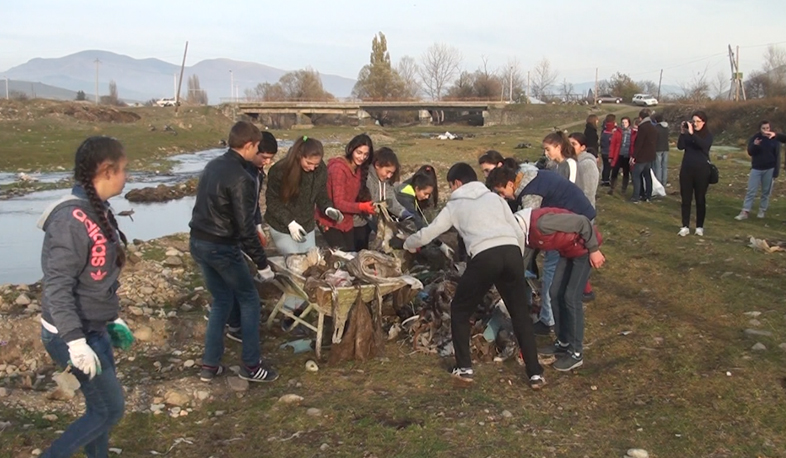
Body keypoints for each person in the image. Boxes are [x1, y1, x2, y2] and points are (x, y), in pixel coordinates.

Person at [404, 163, 545, 389]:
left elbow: (431, 232)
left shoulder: (456, 204)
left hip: (484, 256)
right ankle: (535, 373)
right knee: (520, 313)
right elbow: (518, 231)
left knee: (460, 309)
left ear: (457, 183)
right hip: (510, 252)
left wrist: (409, 243)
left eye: (451, 186)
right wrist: (516, 259)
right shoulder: (495, 198)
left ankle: (465, 368)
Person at [38, 136, 129, 457]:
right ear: (106, 171)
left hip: (95, 328)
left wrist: (111, 315)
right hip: (70, 334)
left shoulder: (99, 209)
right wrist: (75, 343)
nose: (126, 176)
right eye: (123, 169)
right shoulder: (70, 220)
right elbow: (58, 286)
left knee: (98, 408)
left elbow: (97, 275)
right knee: (109, 410)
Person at [190, 121, 279, 384]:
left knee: (221, 300)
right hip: (221, 246)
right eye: (257, 148)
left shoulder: (213, 165)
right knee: (249, 299)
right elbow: (244, 227)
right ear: (250, 145)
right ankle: (251, 366)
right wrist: (263, 264)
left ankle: (210, 364)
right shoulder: (242, 177)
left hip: (198, 241)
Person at [486, 167, 596, 335]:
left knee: (551, 271)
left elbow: (529, 237)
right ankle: (577, 295)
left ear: (510, 184)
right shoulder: (526, 175)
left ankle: (548, 321)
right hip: (572, 218)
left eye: (501, 192)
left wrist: (515, 270)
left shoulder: (531, 197)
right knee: (557, 269)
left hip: (575, 223)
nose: (503, 197)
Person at [513, 207, 605, 371]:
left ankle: (576, 352)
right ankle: (563, 342)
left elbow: (582, 222)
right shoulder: (525, 233)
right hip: (567, 251)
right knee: (554, 293)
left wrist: (594, 250)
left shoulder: (542, 223)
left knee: (571, 298)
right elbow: (524, 257)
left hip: (584, 250)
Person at [219, 132, 279, 342]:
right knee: (239, 284)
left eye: (271, 158)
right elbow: (239, 211)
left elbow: (252, 205)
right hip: (232, 236)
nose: (267, 162)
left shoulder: (257, 172)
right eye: (264, 156)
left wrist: (258, 224)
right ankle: (238, 327)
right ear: (252, 150)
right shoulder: (242, 174)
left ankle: (234, 321)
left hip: (243, 230)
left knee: (240, 281)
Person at [265, 136, 342, 254]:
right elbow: (272, 202)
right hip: (281, 226)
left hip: (307, 224)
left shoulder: (320, 169)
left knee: (310, 262)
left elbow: (321, 192)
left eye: (315, 165)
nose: (312, 168)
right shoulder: (279, 170)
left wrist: (328, 208)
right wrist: (290, 223)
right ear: (299, 155)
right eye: (309, 163)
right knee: (293, 261)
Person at [316, 134, 375, 251]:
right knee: (344, 256)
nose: (362, 157)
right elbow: (338, 203)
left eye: (366, 154)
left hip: (346, 221)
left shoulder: (358, 169)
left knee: (352, 255)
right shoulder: (338, 169)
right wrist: (361, 207)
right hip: (329, 220)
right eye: (359, 152)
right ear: (351, 149)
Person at [354, 147, 409, 250]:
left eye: (392, 173)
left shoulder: (385, 181)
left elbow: (390, 200)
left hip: (370, 222)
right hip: (357, 222)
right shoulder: (367, 179)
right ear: (377, 165)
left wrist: (403, 212)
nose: (389, 175)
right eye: (387, 171)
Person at [735, 120, 781, 220]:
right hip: (756, 168)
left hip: (770, 168)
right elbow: (750, 152)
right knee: (751, 191)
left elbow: (777, 156)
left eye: (767, 128)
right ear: (760, 129)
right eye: (763, 128)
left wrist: (776, 172)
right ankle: (745, 211)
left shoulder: (774, 139)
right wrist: (755, 145)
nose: (766, 131)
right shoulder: (755, 138)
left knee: (766, 191)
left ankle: (762, 210)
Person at [677, 111, 713, 236]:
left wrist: (692, 134)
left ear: (704, 122)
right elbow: (680, 147)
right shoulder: (688, 134)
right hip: (687, 169)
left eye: (698, 121)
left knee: (700, 199)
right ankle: (685, 225)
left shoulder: (707, 135)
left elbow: (704, 145)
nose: (696, 124)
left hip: (702, 171)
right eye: (693, 121)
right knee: (686, 199)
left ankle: (699, 226)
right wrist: (683, 133)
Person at [630, 109, 658, 203]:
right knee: (647, 175)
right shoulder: (653, 127)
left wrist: (634, 156)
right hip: (650, 155)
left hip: (642, 155)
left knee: (636, 175)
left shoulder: (643, 127)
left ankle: (636, 196)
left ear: (640, 117)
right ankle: (647, 195)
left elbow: (639, 143)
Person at [608, 117, 636, 196]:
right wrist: (611, 156)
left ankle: (624, 189)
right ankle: (612, 188)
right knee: (614, 171)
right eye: (622, 122)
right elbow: (613, 144)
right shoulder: (618, 132)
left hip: (627, 155)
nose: (624, 124)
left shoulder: (633, 133)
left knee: (626, 172)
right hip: (618, 154)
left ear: (629, 123)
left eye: (625, 122)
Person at [599, 114, 617, 186]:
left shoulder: (604, 129)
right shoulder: (611, 130)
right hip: (609, 151)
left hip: (603, 151)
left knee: (605, 166)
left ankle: (604, 179)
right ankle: (607, 180)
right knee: (608, 167)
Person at [653, 113, 670, 187]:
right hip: (666, 147)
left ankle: (658, 181)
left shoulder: (656, 128)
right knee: (664, 166)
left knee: (658, 166)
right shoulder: (667, 127)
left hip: (658, 148)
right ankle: (664, 181)